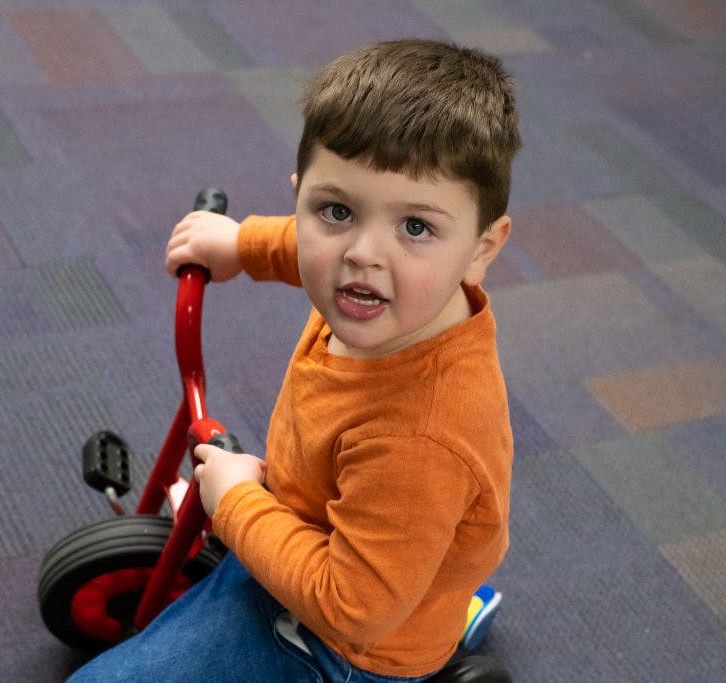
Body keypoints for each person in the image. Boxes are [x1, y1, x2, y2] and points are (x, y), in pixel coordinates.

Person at [69, 38, 521, 682]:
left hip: (341, 642)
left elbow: (351, 608)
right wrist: (241, 244)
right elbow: (307, 245)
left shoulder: (419, 437)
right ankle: (424, 574)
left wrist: (236, 503)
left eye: (415, 227)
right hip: (324, 527)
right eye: (337, 210)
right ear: (301, 194)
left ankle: (426, 614)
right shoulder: (389, 300)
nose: (363, 254)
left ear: (482, 248)